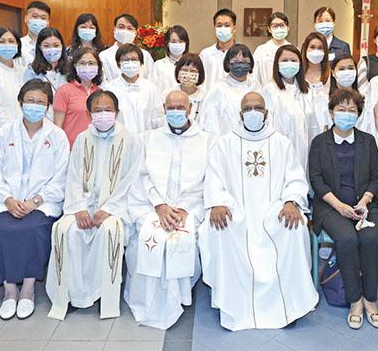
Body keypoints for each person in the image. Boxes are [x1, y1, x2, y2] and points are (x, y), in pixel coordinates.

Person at [199, 92, 318, 330]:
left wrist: (291, 201)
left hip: (274, 211)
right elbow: (213, 178)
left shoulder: (281, 143)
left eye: (257, 108)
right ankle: (232, 303)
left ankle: (289, 305)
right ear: (240, 114)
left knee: (294, 229)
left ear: (266, 112)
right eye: (247, 109)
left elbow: (295, 178)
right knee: (220, 229)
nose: (252, 113)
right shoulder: (224, 144)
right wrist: (218, 202)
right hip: (237, 213)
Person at [46, 90, 141, 320]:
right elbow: (73, 176)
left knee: (108, 231)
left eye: (108, 110)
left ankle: (103, 297)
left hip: (115, 208)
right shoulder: (82, 139)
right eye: (97, 111)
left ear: (117, 112)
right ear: (89, 114)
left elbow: (132, 179)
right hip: (83, 204)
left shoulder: (131, 140)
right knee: (64, 230)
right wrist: (79, 208)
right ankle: (69, 295)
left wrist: (108, 209)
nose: (103, 114)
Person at [125, 90, 213, 329]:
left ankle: (179, 297)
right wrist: (160, 206)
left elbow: (208, 181)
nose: (175, 112)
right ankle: (148, 302)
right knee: (150, 237)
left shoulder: (207, 141)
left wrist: (184, 209)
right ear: (164, 109)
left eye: (180, 107)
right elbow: (140, 177)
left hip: (191, 209)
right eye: (171, 108)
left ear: (190, 109)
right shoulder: (147, 139)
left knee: (178, 239)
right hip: (151, 205)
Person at [0, 79, 69, 321]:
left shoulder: (58, 136)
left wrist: (35, 201)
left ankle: (28, 290)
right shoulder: (3, 133)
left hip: (42, 203)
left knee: (33, 229)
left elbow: (61, 176)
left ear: (48, 106)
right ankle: (10, 290)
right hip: (5, 201)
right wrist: (8, 200)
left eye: (40, 102)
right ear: (20, 102)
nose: (35, 105)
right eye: (30, 100)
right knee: (1, 229)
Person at [309, 88, 378, 330]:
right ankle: (354, 301)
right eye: (341, 109)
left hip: (365, 205)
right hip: (331, 206)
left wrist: (365, 201)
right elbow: (316, 180)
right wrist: (339, 206)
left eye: (352, 110)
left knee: (370, 238)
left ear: (358, 114)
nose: (346, 114)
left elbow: (376, 177)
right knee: (348, 239)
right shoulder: (320, 142)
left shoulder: (367, 141)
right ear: (332, 112)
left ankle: (370, 299)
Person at [262, 45, 322, 170]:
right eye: (284, 60)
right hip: (279, 150)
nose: (289, 64)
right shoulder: (270, 90)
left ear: (300, 64)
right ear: (277, 64)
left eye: (293, 60)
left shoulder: (308, 90)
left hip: (305, 149)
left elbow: (315, 124)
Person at [200, 44, 261, 136]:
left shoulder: (256, 86)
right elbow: (210, 121)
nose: (240, 64)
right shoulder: (218, 88)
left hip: (253, 138)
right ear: (228, 64)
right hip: (225, 140)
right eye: (236, 61)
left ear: (251, 64)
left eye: (245, 61)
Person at [102, 44, 162, 133]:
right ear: (118, 64)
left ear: (141, 63)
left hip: (146, 138)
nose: (130, 63)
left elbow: (157, 118)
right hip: (119, 138)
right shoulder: (110, 89)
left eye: (134, 59)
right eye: (125, 60)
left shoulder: (150, 88)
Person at [53, 47, 102, 148]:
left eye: (91, 63)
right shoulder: (64, 90)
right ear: (75, 66)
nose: (87, 66)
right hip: (70, 148)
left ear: (98, 67)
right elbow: (57, 127)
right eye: (82, 63)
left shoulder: (100, 93)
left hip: (95, 148)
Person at [24, 27, 69, 122]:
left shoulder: (70, 71)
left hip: (68, 121)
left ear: (62, 45)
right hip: (41, 122)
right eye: (46, 46)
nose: (52, 49)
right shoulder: (32, 71)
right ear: (40, 47)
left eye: (56, 45)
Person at [99, 13, 154, 81]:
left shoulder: (145, 55)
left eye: (129, 28)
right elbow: (102, 81)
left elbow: (151, 79)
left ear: (135, 33)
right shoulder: (104, 56)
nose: (125, 31)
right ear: (114, 30)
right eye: (121, 27)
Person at [200, 9, 237, 92]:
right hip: (210, 98)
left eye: (227, 25)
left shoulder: (241, 55)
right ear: (214, 29)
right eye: (219, 25)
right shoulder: (205, 54)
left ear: (234, 29)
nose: (223, 28)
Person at [253, 12, 292, 87]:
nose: (279, 28)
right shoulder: (261, 50)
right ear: (269, 29)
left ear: (288, 27)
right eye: (275, 26)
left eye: (282, 25)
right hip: (265, 91)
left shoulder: (294, 50)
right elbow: (255, 76)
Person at [166, 54, 207, 123]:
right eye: (184, 70)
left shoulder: (205, 98)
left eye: (193, 71)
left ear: (200, 75)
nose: (188, 75)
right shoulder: (167, 95)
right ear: (178, 73)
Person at [152, 25, 189, 94]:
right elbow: (152, 90)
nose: (177, 44)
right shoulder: (158, 65)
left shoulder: (191, 64)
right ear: (167, 43)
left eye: (181, 41)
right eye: (173, 42)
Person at [300, 32, 331, 96]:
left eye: (320, 48)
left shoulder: (331, 74)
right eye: (312, 47)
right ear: (305, 49)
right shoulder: (298, 71)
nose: (316, 51)